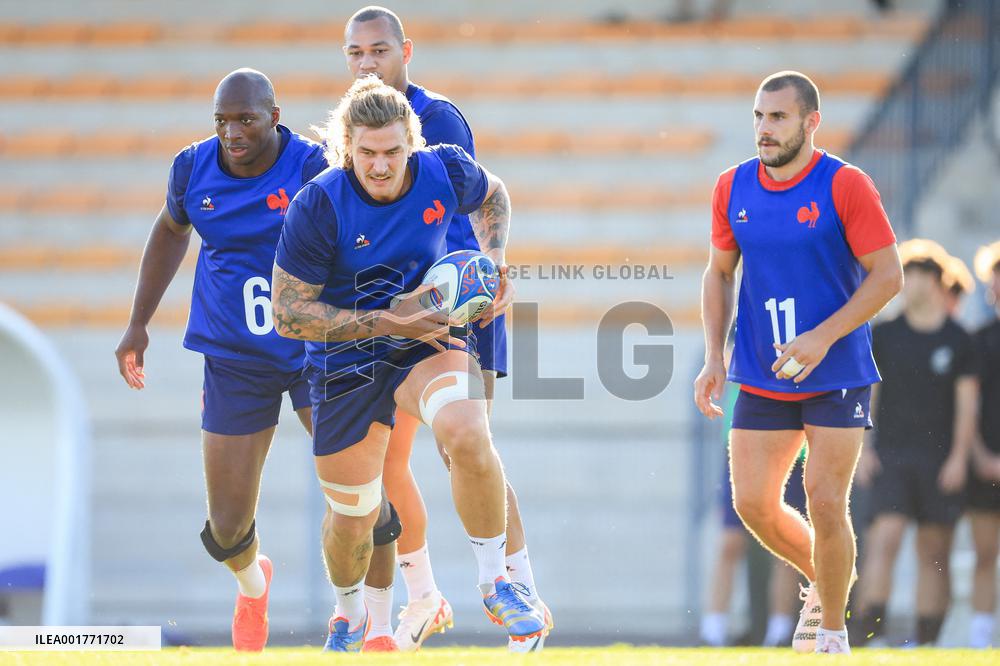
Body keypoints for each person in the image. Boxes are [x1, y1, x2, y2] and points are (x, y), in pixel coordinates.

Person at [113, 69, 401, 652]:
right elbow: (171, 230)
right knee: (225, 526)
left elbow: (363, 228)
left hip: (317, 350)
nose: (232, 131)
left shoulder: (310, 166)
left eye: (245, 118)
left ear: (275, 115)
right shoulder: (193, 168)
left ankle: (380, 625)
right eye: (222, 120)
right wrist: (138, 321)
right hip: (235, 356)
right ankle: (253, 584)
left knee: (362, 493)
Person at [270, 76, 544, 653]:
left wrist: (494, 258)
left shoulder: (444, 170)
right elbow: (290, 315)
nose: (380, 165)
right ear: (347, 148)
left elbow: (493, 194)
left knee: (467, 433)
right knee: (353, 518)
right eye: (366, 153)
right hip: (345, 360)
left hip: (429, 338)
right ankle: (348, 615)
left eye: (393, 151)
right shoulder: (318, 204)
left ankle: (496, 581)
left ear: (412, 144)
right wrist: (385, 321)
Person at [340, 6, 551, 652]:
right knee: (387, 460)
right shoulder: (352, 132)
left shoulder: (436, 120)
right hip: (391, 317)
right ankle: (425, 594)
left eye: (378, 51)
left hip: (458, 309)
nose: (367, 63)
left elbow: (477, 202)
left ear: (406, 51)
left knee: (465, 443)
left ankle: (517, 588)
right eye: (355, 54)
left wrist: (490, 267)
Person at [693, 70, 902, 655]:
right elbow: (718, 272)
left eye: (778, 117)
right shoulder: (732, 186)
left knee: (825, 498)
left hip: (836, 370)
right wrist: (714, 355)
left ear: (811, 122)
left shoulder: (846, 185)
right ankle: (830, 577)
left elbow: (889, 275)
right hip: (760, 369)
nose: (764, 129)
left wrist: (822, 337)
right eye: (759, 116)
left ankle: (831, 631)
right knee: (752, 504)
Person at [852, 240, 978, 646]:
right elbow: (868, 394)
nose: (914, 284)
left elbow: (967, 406)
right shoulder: (884, 335)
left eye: (922, 275)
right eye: (910, 275)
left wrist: (960, 457)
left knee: (933, 552)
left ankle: (927, 642)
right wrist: (863, 449)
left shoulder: (959, 339)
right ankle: (872, 632)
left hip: (940, 459)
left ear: (938, 281)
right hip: (890, 455)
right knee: (883, 539)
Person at [701, 381, 807, 648]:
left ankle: (780, 631)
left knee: (783, 544)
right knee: (730, 540)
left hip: (793, 446)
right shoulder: (740, 337)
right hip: (742, 445)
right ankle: (712, 630)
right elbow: (726, 366)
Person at [968, 240, 1000, 648]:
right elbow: (966, 408)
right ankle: (980, 639)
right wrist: (980, 456)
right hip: (986, 463)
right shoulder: (977, 341)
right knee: (984, 552)